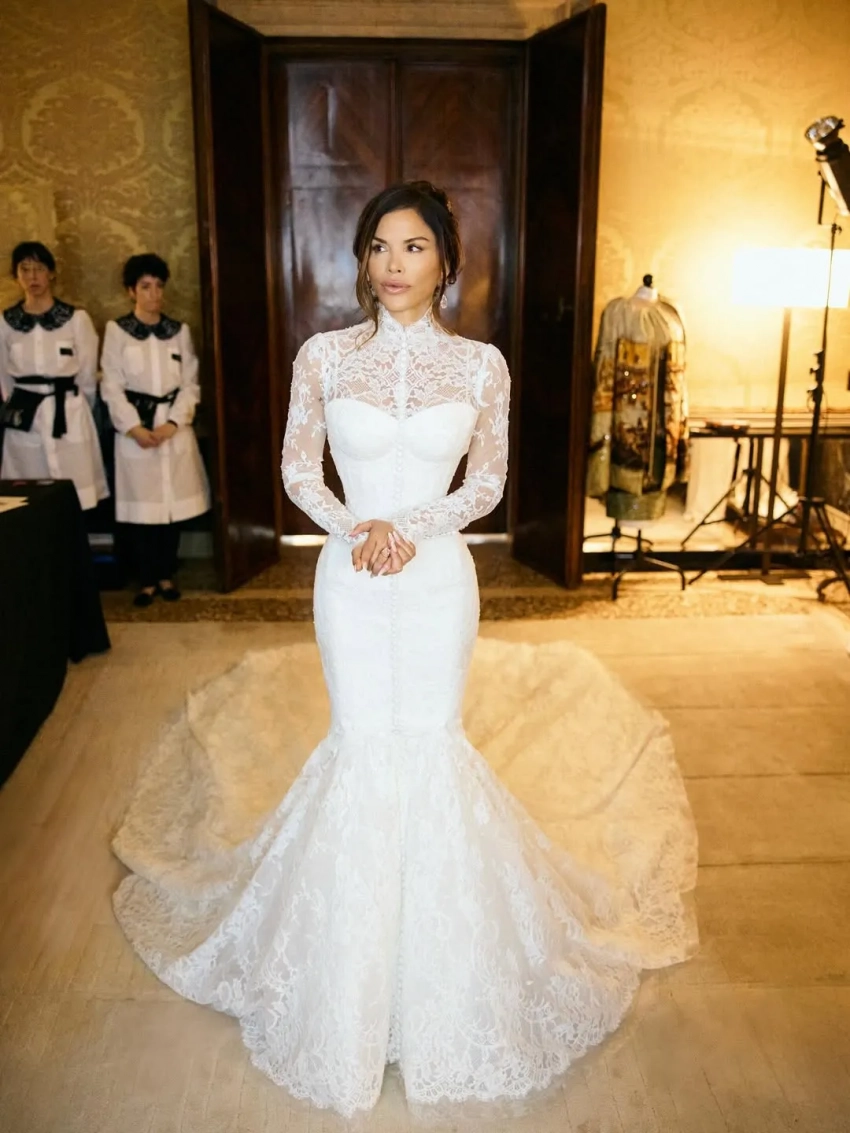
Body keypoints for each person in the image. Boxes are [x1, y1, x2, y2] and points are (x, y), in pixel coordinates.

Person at [111, 183, 698, 1116]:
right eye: (378, 246)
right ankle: (347, 983)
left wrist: (406, 529)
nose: (392, 264)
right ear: (362, 258)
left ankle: (441, 982)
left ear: (446, 261)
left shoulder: (480, 366)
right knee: (360, 745)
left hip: (434, 583)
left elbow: (489, 481)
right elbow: (297, 467)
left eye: (414, 246)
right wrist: (359, 528)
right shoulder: (324, 356)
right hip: (349, 578)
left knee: (429, 744)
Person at [100, 254, 210, 607]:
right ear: (131, 291)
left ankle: (166, 574)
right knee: (142, 509)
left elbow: (190, 384)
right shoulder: (117, 331)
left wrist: (173, 423)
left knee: (170, 507)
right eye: (145, 287)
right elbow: (111, 385)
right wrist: (133, 427)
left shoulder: (178, 332)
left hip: (172, 429)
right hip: (135, 430)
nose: (154, 294)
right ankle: (146, 579)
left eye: (159, 286)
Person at [0, 241, 108, 510]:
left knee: (75, 493)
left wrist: (77, 405)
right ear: (16, 276)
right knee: (28, 496)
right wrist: (19, 402)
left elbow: (87, 375)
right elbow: (4, 377)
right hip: (26, 413)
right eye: (25, 270)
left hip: (68, 409)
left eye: (39, 269)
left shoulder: (76, 319)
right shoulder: (6, 322)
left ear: (51, 273)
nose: (32, 277)